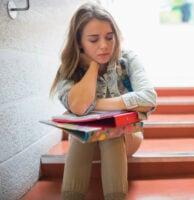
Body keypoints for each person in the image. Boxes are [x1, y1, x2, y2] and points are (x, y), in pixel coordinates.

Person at [49, 2, 157, 200]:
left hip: (127, 141)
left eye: (109, 37)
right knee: (82, 131)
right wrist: (92, 67)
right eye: (93, 40)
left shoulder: (128, 59)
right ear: (79, 42)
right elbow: (79, 107)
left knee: (111, 129)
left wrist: (98, 105)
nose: (104, 45)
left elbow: (149, 98)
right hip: (85, 146)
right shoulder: (69, 68)